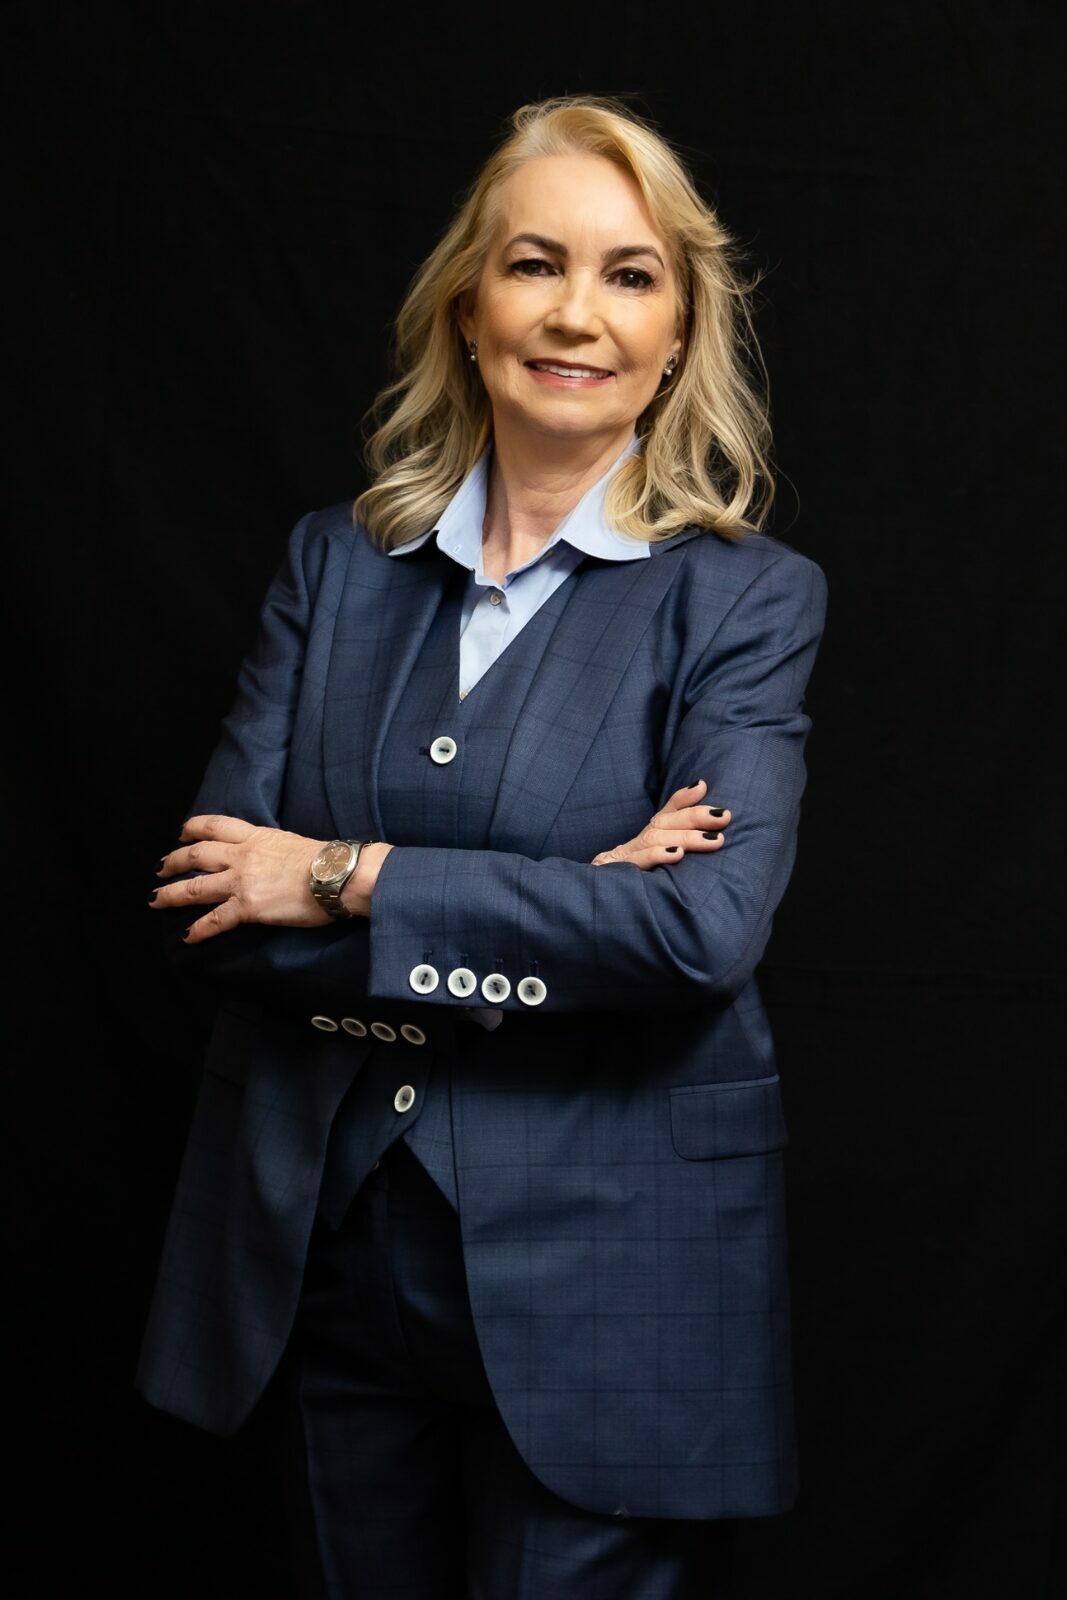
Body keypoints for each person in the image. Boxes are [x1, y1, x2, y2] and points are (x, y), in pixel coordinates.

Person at [138, 95, 828, 1599]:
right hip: (324, 1248)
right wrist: (567, 909)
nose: (578, 313)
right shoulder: (337, 566)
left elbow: (699, 935)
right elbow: (212, 910)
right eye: (535, 263)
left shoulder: (743, 600)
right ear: (469, 307)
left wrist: (343, 874)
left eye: (631, 275)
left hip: (613, 1274)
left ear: (678, 331)